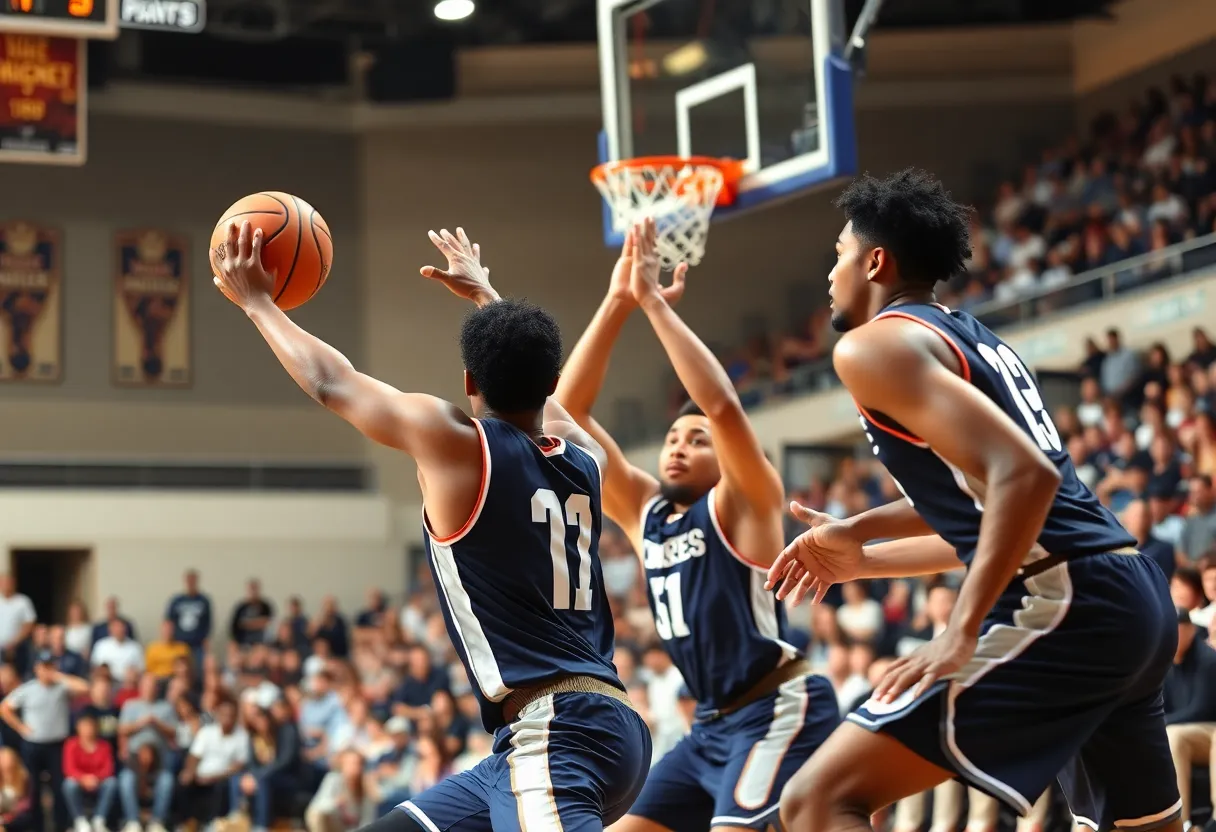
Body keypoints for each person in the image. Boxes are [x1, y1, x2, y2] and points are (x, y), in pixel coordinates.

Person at [768, 169, 1180, 832]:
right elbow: (996, 511)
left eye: (840, 254)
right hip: (1126, 594)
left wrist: (958, 631)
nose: (831, 275)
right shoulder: (969, 336)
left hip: (1067, 602)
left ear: (876, 261)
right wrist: (861, 545)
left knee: (816, 800)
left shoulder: (872, 346)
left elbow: (1026, 477)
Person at [212, 221, 651, 832]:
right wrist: (487, 298)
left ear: (470, 381)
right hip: (573, 730)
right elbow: (544, 394)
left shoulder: (461, 445)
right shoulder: (587, 461)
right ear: (552, 384)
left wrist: (257, 302)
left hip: (558, 731)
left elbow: (332, 383)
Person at [554, 218, 840, 832]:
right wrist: (617, 299)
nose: (679, 446)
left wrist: (654, 305)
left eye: (698, 441)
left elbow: (721, 405)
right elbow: (564, 413)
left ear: (727, 458)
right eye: (673, 437)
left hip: (777, 707)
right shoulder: (643, 509)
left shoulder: (746, 501)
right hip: (709, 726)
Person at [62, 712, 117, 832]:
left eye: (90, 726)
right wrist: (83, 779)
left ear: (96, 728)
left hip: (99, 782)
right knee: (69, 784)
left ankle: (99, 820)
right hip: (79, 782)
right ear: (78, 728)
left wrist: (96, 778)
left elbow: (108, 768)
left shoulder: (104, 745)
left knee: (112, 783)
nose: (88, 730)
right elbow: (69, 768)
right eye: (84, 726)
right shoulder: (71, 744)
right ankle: (80, 820)